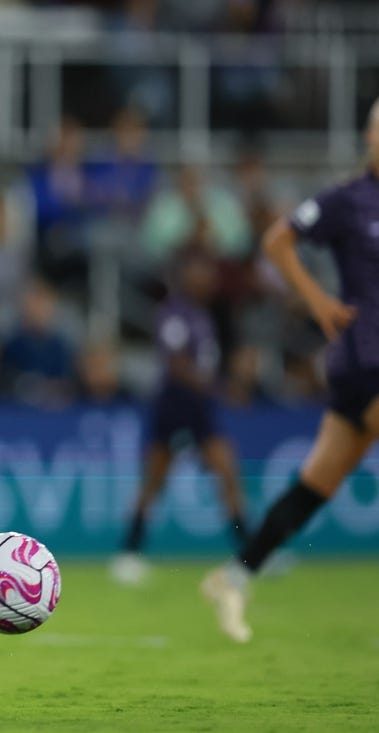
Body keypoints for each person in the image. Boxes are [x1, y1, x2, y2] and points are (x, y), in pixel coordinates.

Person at [201, 99, 379, 643]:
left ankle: (234, 576)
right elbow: (277, 241)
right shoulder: (349, 200)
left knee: (316, 483)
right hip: (364, 358)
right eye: (377, 129)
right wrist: (317, 301)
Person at [110, 247, 249, 586]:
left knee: (226, 472)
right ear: (186, 275)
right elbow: (175, 363)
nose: (208, 277)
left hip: (199, 406)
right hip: (176, 404)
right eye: (200, 270)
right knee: (156, 480)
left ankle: (251, 553)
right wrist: (215, 387)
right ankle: (129, 554)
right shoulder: (174, 313)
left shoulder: (204, 315)